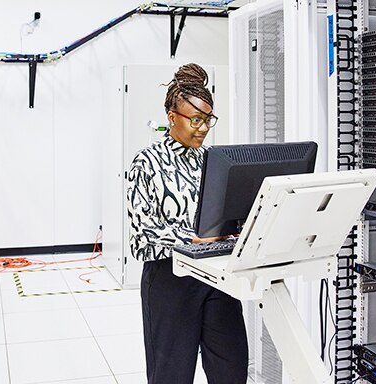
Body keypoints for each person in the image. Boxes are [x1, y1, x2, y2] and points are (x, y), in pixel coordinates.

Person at [126, 63, 249, 384]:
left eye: (208, 119)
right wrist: (193, 238)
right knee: (172, 374)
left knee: (231, 366)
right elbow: (142, 228)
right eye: (196, 120)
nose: (203, 127)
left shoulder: (214, 159)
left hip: (216, 274)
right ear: (171, 117)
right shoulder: (147, 161)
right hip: (169, 278)